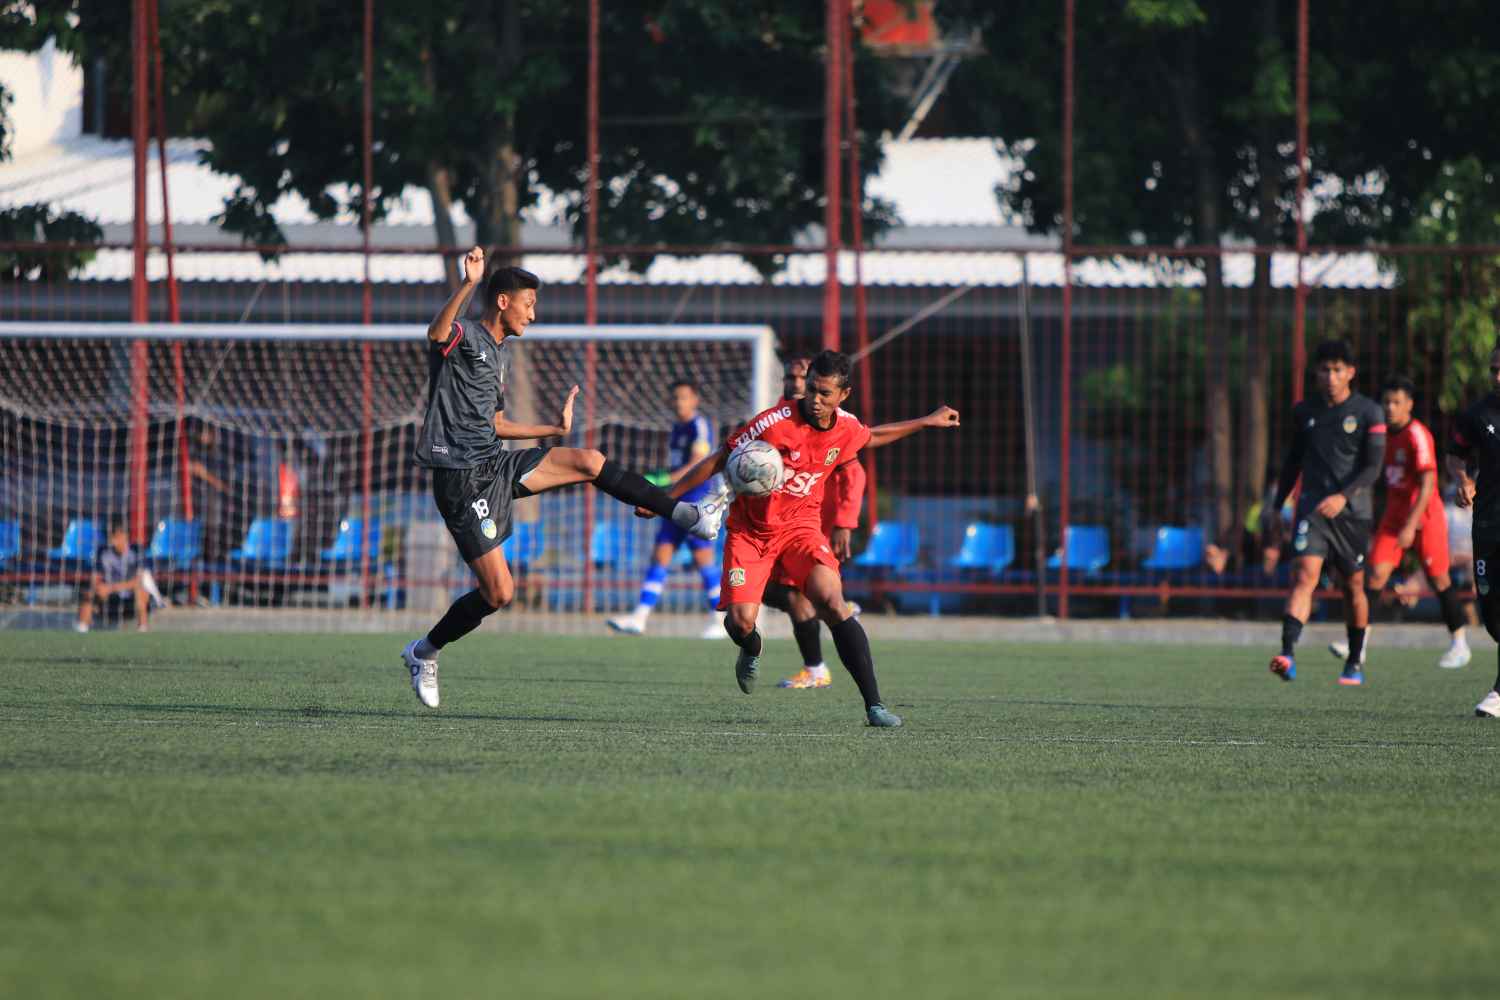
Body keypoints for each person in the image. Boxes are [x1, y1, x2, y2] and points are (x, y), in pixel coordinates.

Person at [399, 247, 729, 708]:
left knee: (589, 460)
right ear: (502, 302)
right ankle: (424, 652)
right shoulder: (467, 335)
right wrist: (469, 282)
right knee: (499, 592)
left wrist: (552, 429)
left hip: (495, 462)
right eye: (528, 303)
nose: (533, 314)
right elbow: (435, 334)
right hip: (460, 478)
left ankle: (685, 513)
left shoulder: (500, 355)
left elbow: (494, 424)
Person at [656, 349, 960, 727]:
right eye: (811, 390)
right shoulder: (772, 422)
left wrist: (927, 422)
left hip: (801, 529)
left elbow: (874, 436)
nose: (814, 400)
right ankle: (750, 648)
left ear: (843, 395)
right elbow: (720, 457)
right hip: (751, 534)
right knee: (741, 622)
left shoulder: (845, 428)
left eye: (824, 394)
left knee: (833, 601)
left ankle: (875, 705)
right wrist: (666, 498)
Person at [1264, 339, 1386, 685]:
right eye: (1324, 370)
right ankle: (1287, 654)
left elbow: (1373, 468)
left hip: (1353, 513)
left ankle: (1354, 661)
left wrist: (1343, 497)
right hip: (1312, 509)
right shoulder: (1305, 412)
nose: (1330, 376)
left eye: (1337, 370)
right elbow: (1292, 462)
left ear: (1350, 373)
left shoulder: (1369, 412)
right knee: (1304, 575)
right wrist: (1277, 505)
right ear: (1316, 373)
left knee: (1353, 587)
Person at [1327, 375, 1470, 669]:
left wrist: (1411, 524)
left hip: (1424, 517)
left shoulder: (1417, 434)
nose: (1390, 408)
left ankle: (1460, 643)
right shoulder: (1380, 434)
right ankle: (1359, 645)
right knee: (1376, 575)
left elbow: (1429, 482)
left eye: (1397, 402)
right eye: (1387, 402)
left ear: (1409, 405)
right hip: (1394, 516)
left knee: (1439, 578)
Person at [761, 354, 865, 690]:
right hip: (775, 521)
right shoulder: (778, 417)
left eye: (800, 378)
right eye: (790, 379)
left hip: (812, 520)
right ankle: (832, 608)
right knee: (768, 591)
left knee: (795, 596)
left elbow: (854, 471)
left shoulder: (835, 420)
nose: (795, 385)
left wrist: (844, 522)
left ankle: (817, 665)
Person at [607, 379, 727, 639]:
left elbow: (698, 462)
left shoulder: (699, 425)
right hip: (674, 501)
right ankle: (639, 618)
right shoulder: (676, 428)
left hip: (696, 501)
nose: (679, 402)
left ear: (695, 399)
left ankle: (719, 620)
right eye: (675, 398)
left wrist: (664, 480)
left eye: (684, 397)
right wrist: (665, 480)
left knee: (703, 559)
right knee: (660, 555)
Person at [1444, 343, 1500, 718]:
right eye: (1495, 369)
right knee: (1492, 614)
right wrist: (1463, 479)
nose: (1498, 377)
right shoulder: (1477, 414)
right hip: (1487, 523)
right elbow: (1454, 455)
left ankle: (1498, 692)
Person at [75, 524, 166, 633]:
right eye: (116, 538)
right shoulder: (102, 552)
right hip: (108, 596)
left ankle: (143, 628)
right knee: (89, 593)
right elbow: (96, 578)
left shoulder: (136, 551)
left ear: (127, 538)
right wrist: (99, 587)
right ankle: (82, 628)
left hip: (131, 596)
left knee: (142, 592)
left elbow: (139, 581)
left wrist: (112, 588)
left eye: (122, 537)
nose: (119, 541)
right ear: (112, 539)